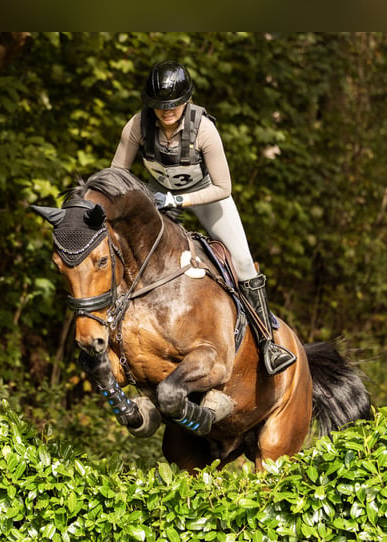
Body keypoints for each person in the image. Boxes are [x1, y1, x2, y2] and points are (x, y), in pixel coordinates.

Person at [111, 60, 296, 376]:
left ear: (187, 101)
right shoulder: (137, 125)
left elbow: (224, 187)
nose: (167, 112)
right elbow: (117, 173)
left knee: (243, 262)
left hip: (206, 196)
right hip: (156, 197)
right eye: (160, 106)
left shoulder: (205, 130)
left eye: (174, 105)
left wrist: (179, 200)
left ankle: (269, 343)